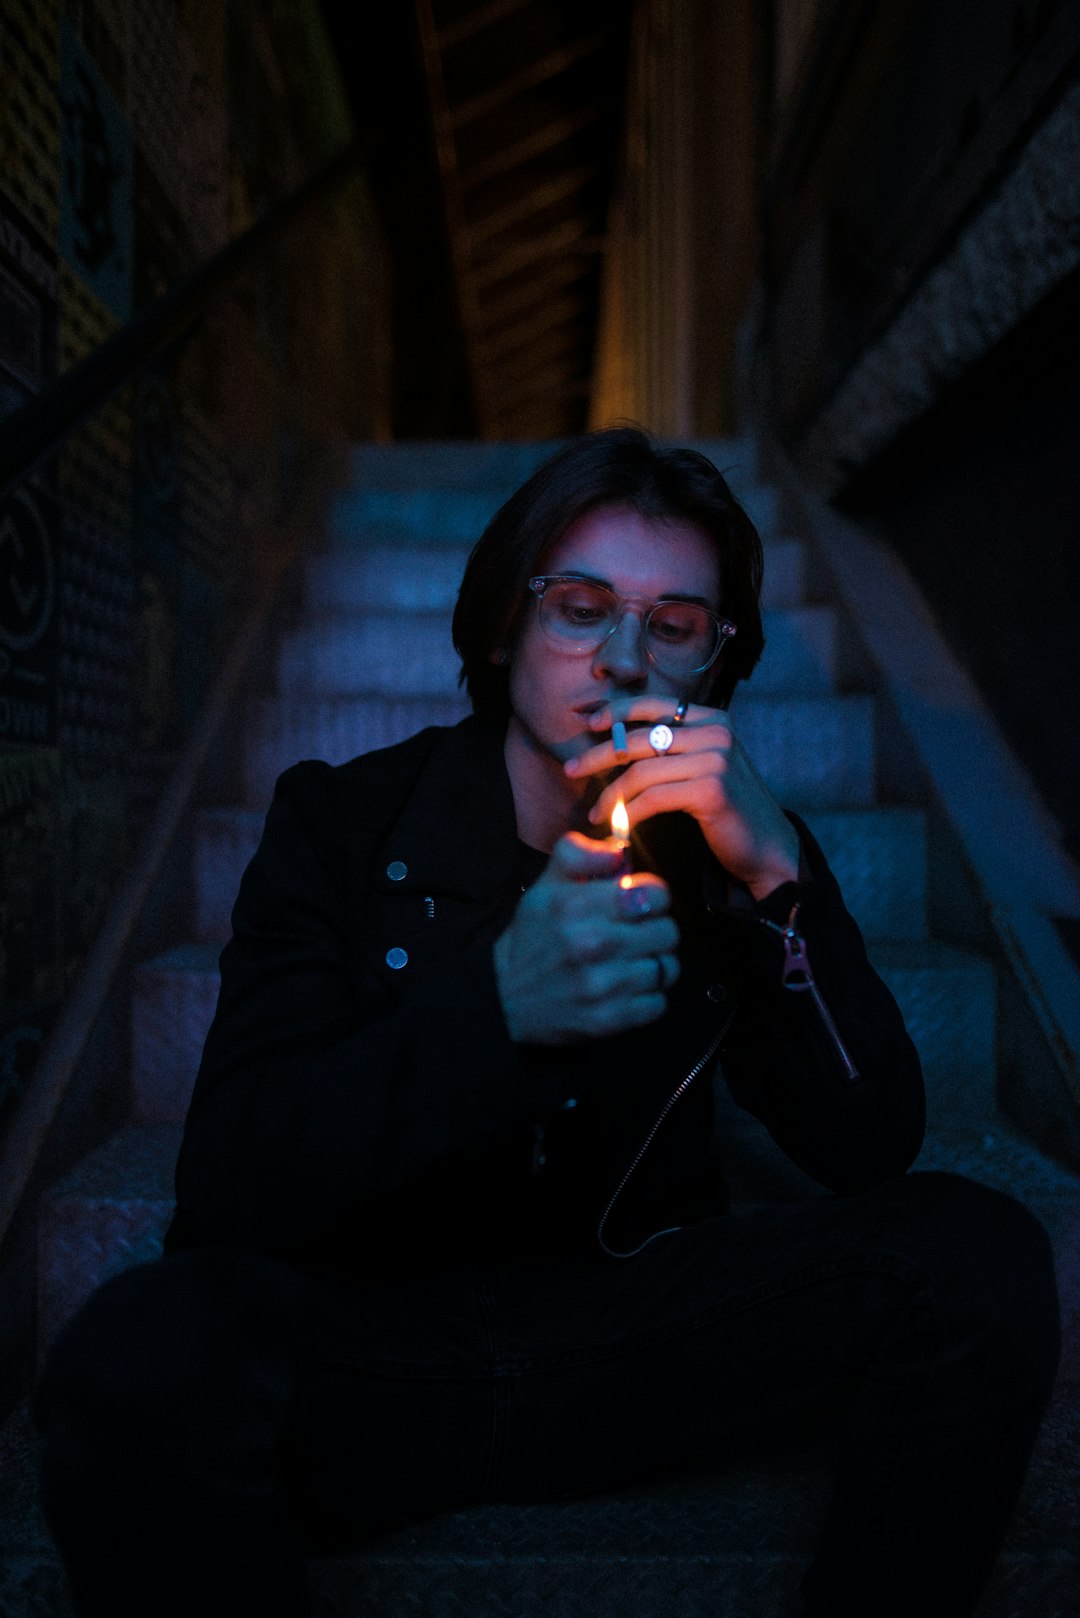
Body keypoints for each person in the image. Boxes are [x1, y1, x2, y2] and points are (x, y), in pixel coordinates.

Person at [35, 429, 1059, 1617]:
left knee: (976, 1250)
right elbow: (232, 1184)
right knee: (134, 1351)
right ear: (500, 628)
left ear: (712, 666)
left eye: (673, 626)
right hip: (377, 1339)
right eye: (581, 607)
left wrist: (775, 882)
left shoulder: (731, 843)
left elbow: (871, 1140)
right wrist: (498, 1015)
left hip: (627, 1334)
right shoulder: (341, 821)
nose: (625, 658)